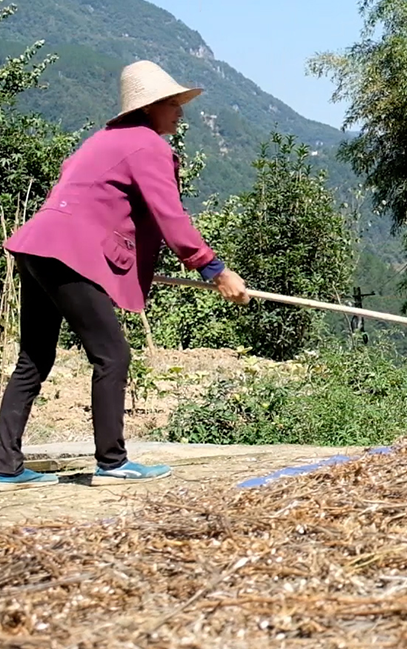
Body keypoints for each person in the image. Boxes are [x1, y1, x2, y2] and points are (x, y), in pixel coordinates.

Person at [0, 60, 250, 492]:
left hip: (37, 247)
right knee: (112, 355)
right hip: (67, 254)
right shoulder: (148, 146)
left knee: (34, 359)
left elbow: (93, 209)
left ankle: (5, 466)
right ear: (151, 107)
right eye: (173, 103)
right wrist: (214, 268)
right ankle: (112, 462)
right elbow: (171, 218)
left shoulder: (102, 141)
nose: (180, 112)